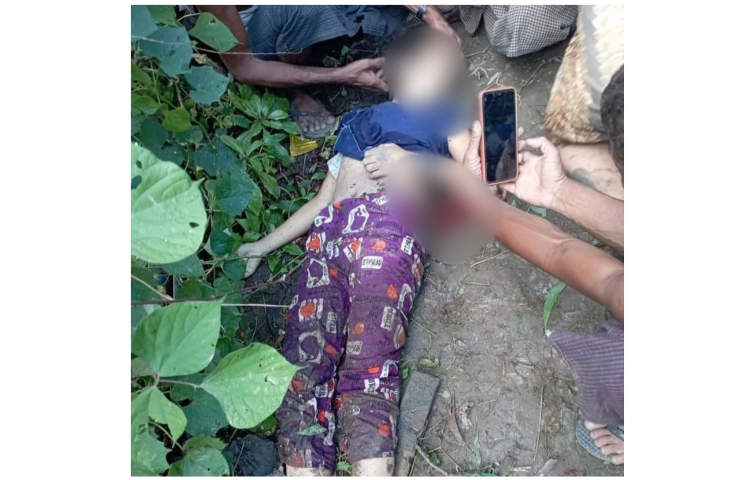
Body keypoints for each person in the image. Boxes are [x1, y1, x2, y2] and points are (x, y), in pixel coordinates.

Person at [234, 30, 475, 476]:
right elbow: (322, 201)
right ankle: (303, 468)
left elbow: (479, 182)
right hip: (327, 237)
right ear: (400, 67)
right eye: (433, 58)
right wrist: (263, 245)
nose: (440, 68)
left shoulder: (449, 117)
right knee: (302, 363)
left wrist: (411, 162)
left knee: (370, 362)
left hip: (389, 225)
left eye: (450, 67)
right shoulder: (357, 120)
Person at [197, 5, 460, 139]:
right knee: (303, 11)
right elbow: (244, 67)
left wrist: (428, 13)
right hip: (258, 47)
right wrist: (343, 75)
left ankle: (332, 35)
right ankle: (292, 90)